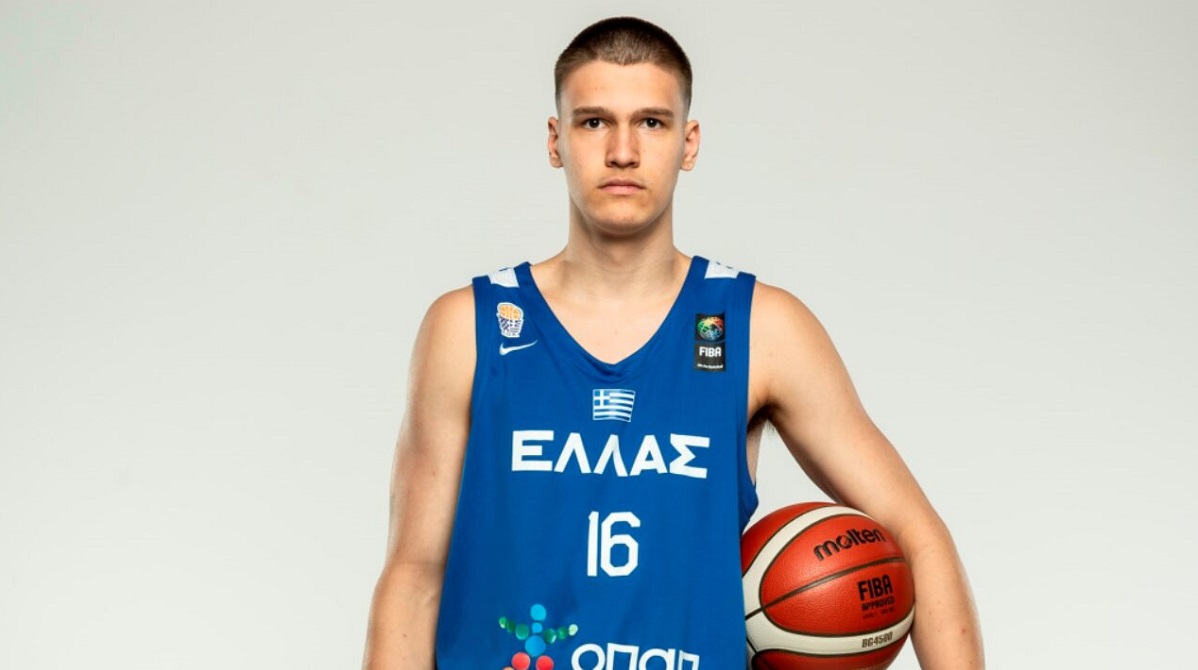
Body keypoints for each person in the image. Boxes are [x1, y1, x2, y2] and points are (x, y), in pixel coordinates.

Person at [363, 16, 984, 670]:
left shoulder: (760, 328)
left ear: (689, 143)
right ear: (556, 140)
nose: (623, 151)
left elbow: (917, 534)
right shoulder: (471, 327)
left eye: (652, 123)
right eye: (594, 121)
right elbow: (414, 575)